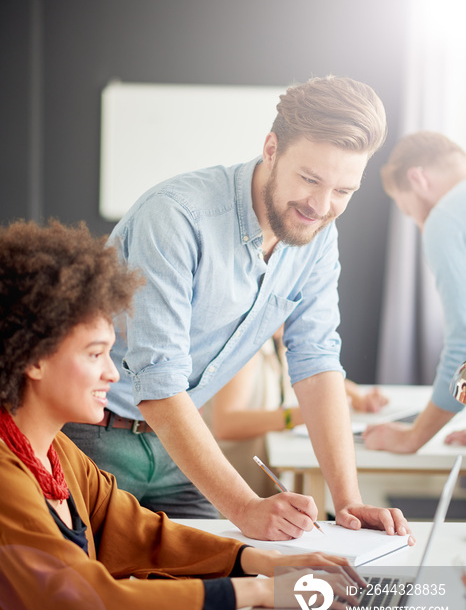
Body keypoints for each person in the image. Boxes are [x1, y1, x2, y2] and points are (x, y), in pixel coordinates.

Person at [0, 220, 366, 610]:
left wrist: (256, 562)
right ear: (32, 357)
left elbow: (139, 532)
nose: (114, 375)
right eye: (95, 355)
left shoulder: (58, 454)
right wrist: (254, 593)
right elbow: (83, 601)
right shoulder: (6, 478)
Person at [63, 75, 410, 540]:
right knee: (84, 595)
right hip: (92, 435)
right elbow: (158, 380)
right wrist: (245, 507)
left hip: (180, 443)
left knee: (215, 588)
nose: (322, 206)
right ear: (271, 149)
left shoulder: (318, 235)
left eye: (344, 191)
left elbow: (317, 361)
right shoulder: (176, 218)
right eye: (309, 179)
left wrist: (348, 503)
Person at [363, 131, 466, 453]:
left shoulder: (445, 218)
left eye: (411, 213)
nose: (421, 226)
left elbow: (463, 346)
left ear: (417, 178)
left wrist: (412, 437)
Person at [203, 332, 388, 497]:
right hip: (232, 489)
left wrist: (356, 396)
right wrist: (296, 416)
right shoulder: (247, 349)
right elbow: (225, 424)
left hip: (260, 484)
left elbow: (314, 376)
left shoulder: (279, 344)